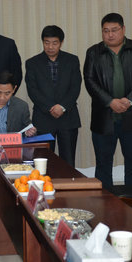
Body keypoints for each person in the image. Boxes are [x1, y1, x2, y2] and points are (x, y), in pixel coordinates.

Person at [84, 13, 132, 190]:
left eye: (114, 30)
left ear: (123, 29)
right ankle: (105, 202)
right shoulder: (93, 52)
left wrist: (130, 100)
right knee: (103, 163)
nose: (110, 35)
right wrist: (110, 102)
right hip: (103, 118)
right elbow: (89, 81)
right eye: (106, 31)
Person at [25, 25, 82, 167]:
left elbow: (75, 87)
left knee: (68, 162)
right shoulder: (32, 63)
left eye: (54, 43)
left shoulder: (72, 60)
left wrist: (62, 107)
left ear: (61, 43)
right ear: (43, 42)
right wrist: (50, 107)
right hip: (43, 119)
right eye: (47, 42)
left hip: (67, 118)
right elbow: (32, 90)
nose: (50, 47)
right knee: (42, 162)